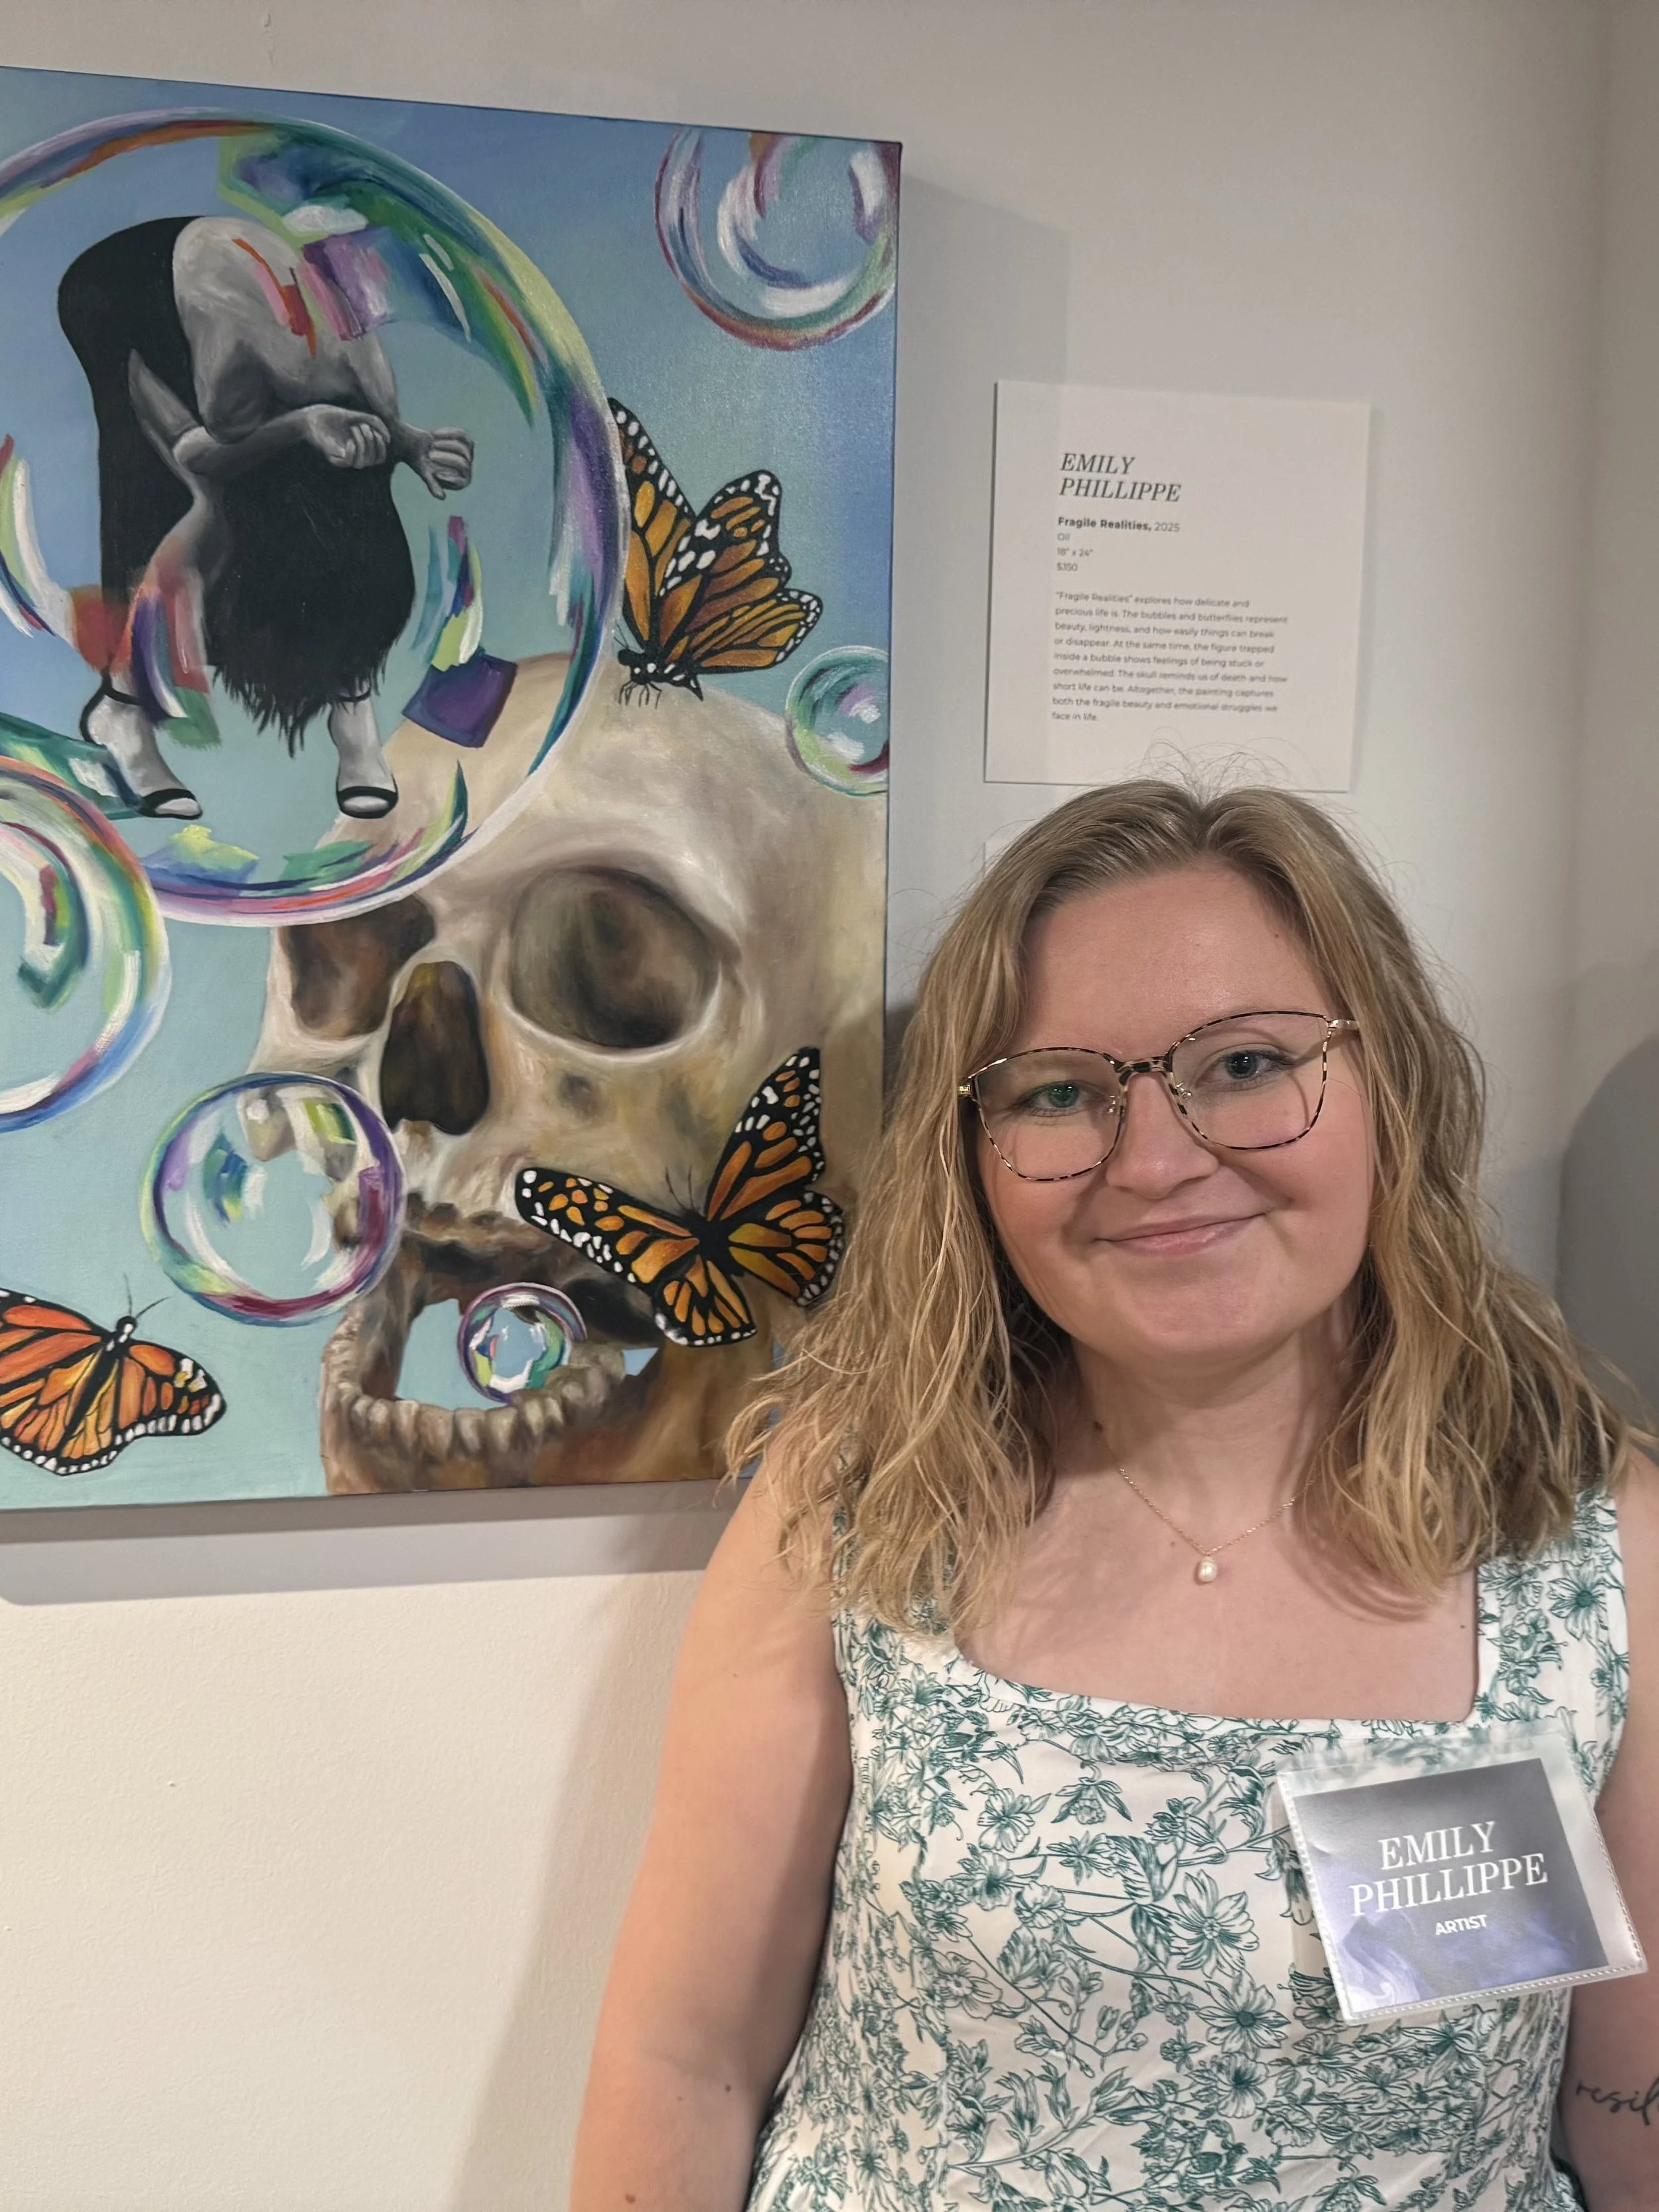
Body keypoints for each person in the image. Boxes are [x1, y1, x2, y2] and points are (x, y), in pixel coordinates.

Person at [571, 782, 1658, 2211]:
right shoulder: (865, 1492)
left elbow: (1621, 2098)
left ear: (1386, 1077)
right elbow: (685, 2058)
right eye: (1058, 1092)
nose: (1152, 1160)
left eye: (1246, 1062)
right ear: (973, 1153)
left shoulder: (1585, 1538)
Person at [56, 214, 474, 820]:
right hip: (135, 290)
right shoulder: (201, 360)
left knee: (354, 509)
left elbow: (370, 434)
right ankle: (121, 710)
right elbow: (191, 451)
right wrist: (300, 426)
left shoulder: (361, 371)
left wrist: (409, 444)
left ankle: (351, 705)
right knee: (173, 503)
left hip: (256, 308)